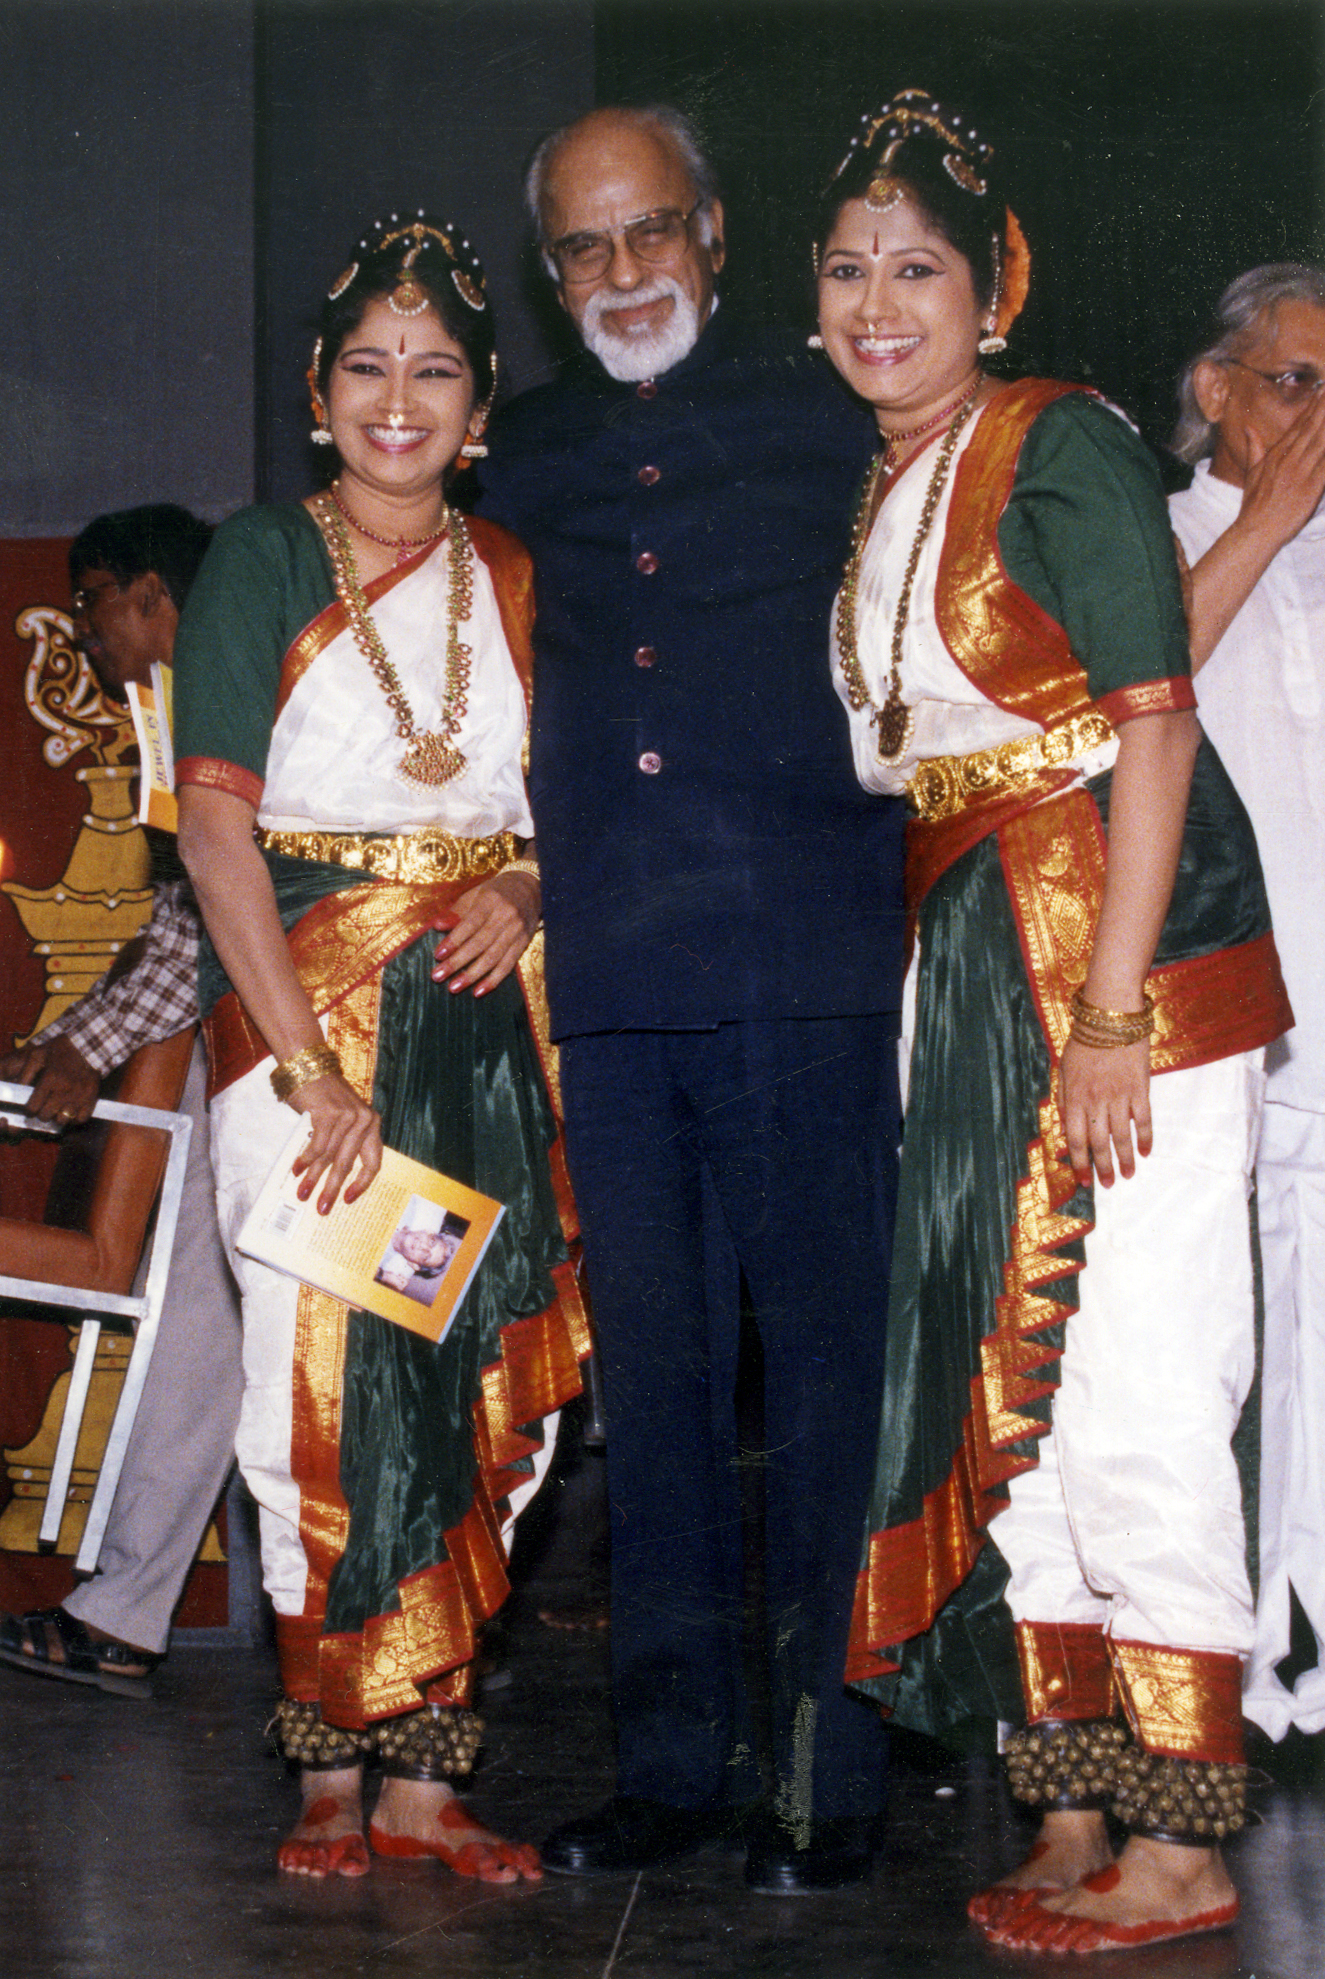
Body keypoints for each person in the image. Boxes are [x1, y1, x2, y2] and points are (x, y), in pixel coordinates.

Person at [813, 92, 1292, 1951]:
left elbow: (1151, 722)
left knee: (1148, 1381)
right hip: (969, 960)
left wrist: (1107, 1012)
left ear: (990, 288)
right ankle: (1075, 1795)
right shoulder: (894, 480)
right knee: (1018, 1380)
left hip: (1124, 967)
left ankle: (1182, 1836)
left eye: (915, 268)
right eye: (847, 268)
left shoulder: (1058, 438)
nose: (877, 304)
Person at [479, 106, 904, 1895]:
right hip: (614, 976)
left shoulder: (837, 410)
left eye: (650, 230)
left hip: (805, 962)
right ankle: (667, 1765)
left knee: (819, 1380)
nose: (623, 272)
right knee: (648, 1391)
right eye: (583, 246)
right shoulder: (525, 450)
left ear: (715, 233)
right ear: (549, 272)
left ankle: (825, 1767)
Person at [171, 216, 587, 1883]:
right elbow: (214, 828)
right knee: (324, 1383)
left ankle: (426, 1774)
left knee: (474, 1370)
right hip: (312, 1033)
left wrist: (531, 883)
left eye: (434, 372)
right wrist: (311, 1068)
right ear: (317, 391)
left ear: (478, 410)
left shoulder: (520, 575)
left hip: (486, 1028)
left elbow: (571, 802)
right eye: (367, 367)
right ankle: (331, 1766)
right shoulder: (261, 560)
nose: (397, 400)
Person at [0, 504, 243, 1698]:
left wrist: (84, 1047)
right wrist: (74, 1042)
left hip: (320, 1055)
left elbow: (209, 919)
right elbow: (179, 924)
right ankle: (124, 1614)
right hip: (239, 1053)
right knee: (211, 1326)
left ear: (152, 594)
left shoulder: (230, 699)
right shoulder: (182, 709)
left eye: (93, 601)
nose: (85, 631)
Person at [1169, 265, 1325, 1742]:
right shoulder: (1154, 536)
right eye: (1296, 382)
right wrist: (1266, 520)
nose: (1320, 417)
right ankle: (1228, 1668)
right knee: (1227, 1356)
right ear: (1213, 390)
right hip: (1222, 1036)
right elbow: (1131, 691)